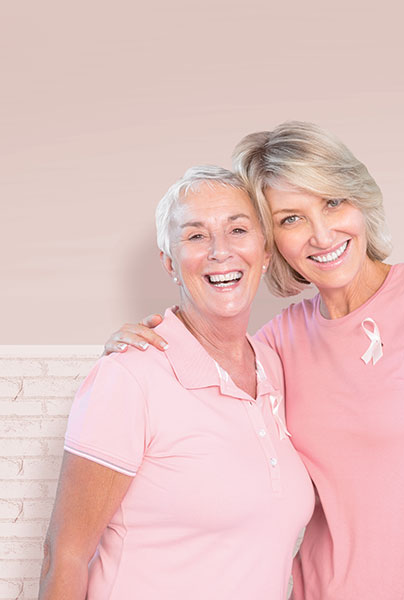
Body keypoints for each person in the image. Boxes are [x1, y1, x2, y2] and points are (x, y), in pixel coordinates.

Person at [104, 122, 404, 600]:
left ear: (359, 199)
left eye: (333, 202)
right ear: (269, 240)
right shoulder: (276, 343)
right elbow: (202, 394)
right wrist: (137, 343)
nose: (321, 235)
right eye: (290, 219)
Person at [39, 166, 315, 600]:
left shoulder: (273, 367)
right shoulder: (130, 375)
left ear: (265, 253)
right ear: (169, 262)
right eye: (195, 236)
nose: (220, 251)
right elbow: (65, 554)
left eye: (237, 230)